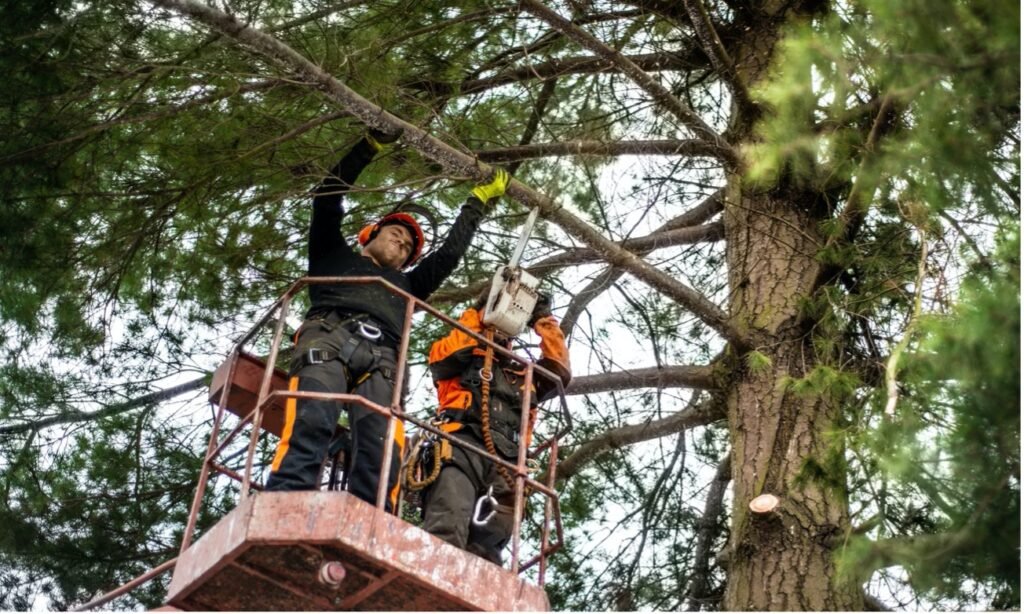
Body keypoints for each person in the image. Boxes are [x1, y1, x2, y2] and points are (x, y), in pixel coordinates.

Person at [265, 128, 510, 513]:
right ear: (370, 235)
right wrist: (368, 146)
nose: (403, 243)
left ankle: (371, 518)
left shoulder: (409, 285)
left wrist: (476, 203)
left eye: (409, 247)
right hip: (328, 336)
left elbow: (447, 256)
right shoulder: (332, 255)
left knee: (382, 444)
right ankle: (282, 504)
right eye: (397, 233)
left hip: (382, 358)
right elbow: (327, 197)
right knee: (313, 416)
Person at [420, 291, 571, 563]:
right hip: (461, 446)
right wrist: (477, 310)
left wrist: (543, 320)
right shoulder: (459, 356)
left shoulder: (524, 374)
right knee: (448, 521)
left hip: (508, 462)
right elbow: (453, 352)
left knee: (491, 544)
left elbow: (559, 370)